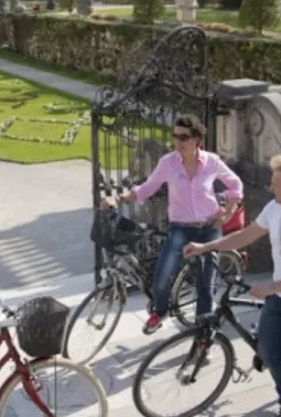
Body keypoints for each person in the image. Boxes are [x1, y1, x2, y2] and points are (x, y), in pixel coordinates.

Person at [184, 154, 281, 417]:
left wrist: (272, 288)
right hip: (280, 297)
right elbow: (245, 236)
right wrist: (206, 247)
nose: (269, 188)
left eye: (275, 184)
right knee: (267, 351)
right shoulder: (275, 209)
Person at [103, 114, 244, 335]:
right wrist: (118, 198)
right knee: (162, 276)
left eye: (184, 137)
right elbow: (145, 189)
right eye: (175, 136)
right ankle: (160, 312)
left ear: (197, 138)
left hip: (208, 228)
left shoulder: (212, 162)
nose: (178, 142)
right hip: (180, 227)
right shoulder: (168, 163)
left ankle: (203, 333)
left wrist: (227, 213)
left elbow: (235, 184)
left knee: (205, 285)